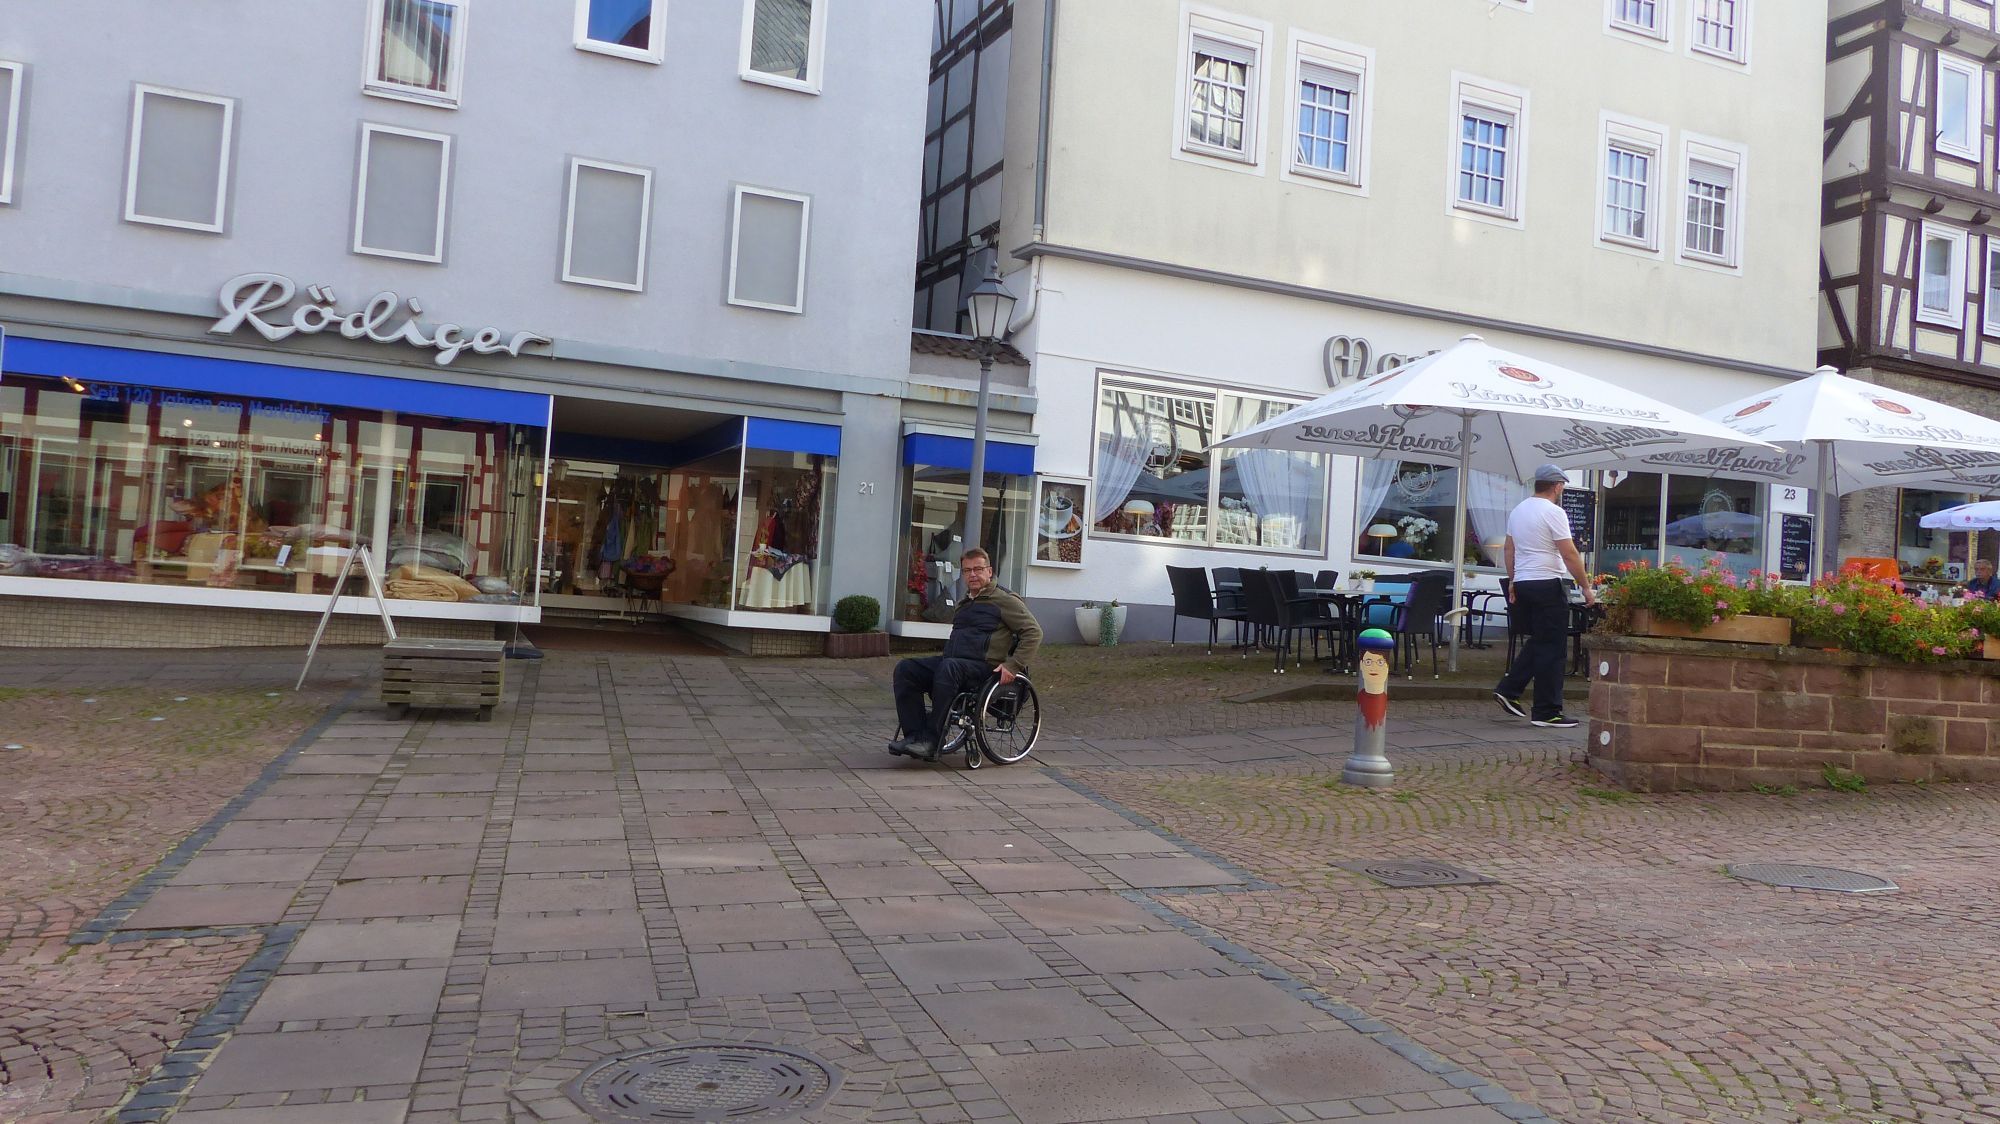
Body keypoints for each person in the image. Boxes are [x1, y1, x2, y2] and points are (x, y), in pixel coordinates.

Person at [890, 547, 1042, 759]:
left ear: (989, 571)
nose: (972, 574)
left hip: (985, 668)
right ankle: (916, 736)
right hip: (954, 664)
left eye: (978, 569)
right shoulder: (964, 603)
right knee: (906, 669)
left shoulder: (1005, 600)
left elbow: (1034, 632)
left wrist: (1013, 665)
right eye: (967, 570)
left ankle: (932, 741)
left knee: (949, 668)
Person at [1494, 464, 1595, 729]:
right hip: (1547, 581)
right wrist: (1585, 586)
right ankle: (1547, 711)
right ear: (1557, 486)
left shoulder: (1518, 510)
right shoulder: (1554, 512)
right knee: (1553, 648)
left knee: (1541, 640)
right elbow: (1569, 553)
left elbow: (1509, 548)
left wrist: (1514, 580)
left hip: (1525, 582)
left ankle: (1509, 688)